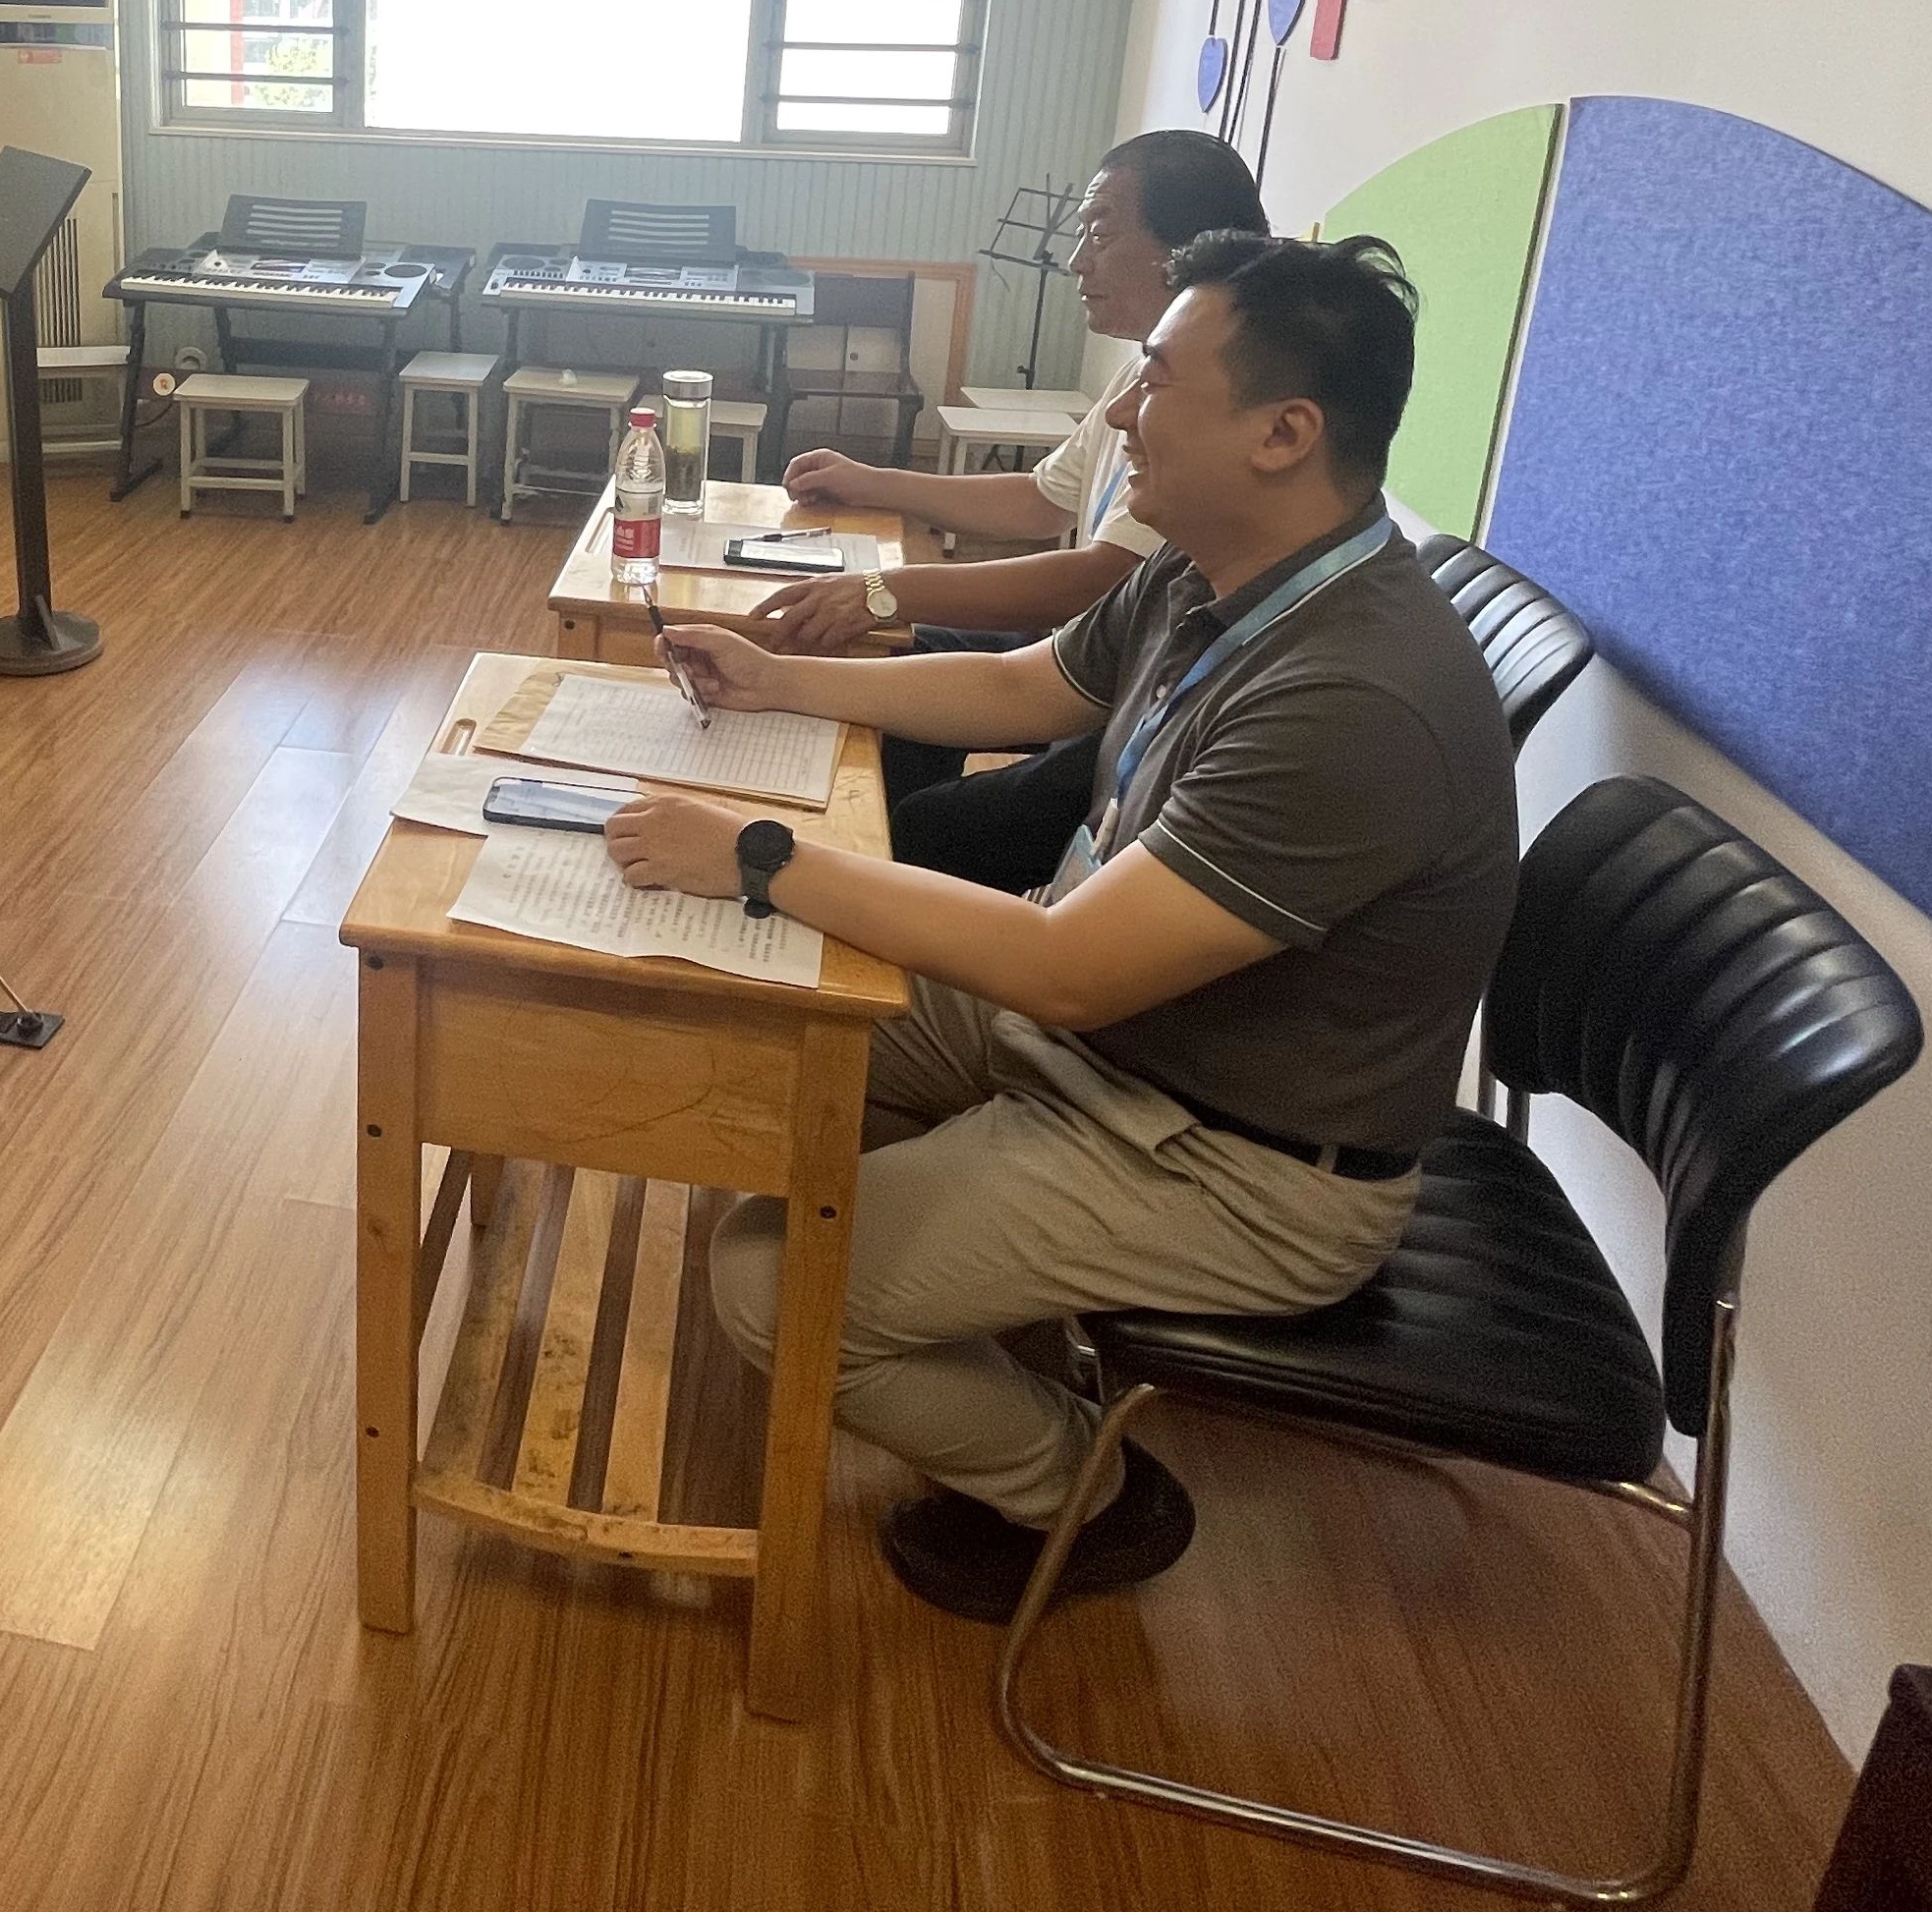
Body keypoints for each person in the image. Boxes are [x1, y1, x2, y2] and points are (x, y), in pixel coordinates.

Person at [616, 234, 1517, 1624]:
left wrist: (758, 854)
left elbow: (1069, 972)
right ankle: (973, 1293)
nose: (1119, 410)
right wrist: (779, 679)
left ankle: (1087, 1494)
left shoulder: (1358, 698)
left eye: (1156, 380)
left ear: (1284, 434)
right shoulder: (1217, 568)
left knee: (774, 1282)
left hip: (1236, 1156)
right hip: (1118, 1046)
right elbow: (1026, 690)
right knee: (769, 1020)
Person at [756, 130, 1269, 895]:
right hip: (1097, 662)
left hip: (1132, 700)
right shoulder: (1144, 371)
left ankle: (880, 889)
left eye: (1100, 233)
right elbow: (1040, 498)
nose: (1076, 261)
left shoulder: (1206, 410)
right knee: (902, 665)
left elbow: (1098, 580)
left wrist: (885, 589)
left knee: (930, 816)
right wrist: (875, 483)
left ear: (1185, 250)